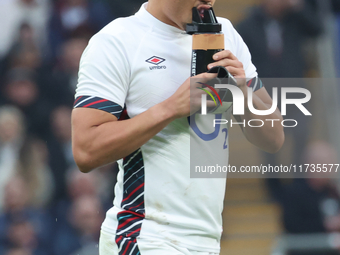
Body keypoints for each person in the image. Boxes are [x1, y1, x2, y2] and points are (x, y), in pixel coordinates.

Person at [71, 0, 285, 254]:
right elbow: (85, 150)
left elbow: (274, 139)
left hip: (206, 243)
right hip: (144, 237)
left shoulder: (225, 34)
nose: (209, 1)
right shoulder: (117, 40)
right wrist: (171, 108)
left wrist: (242, 90)